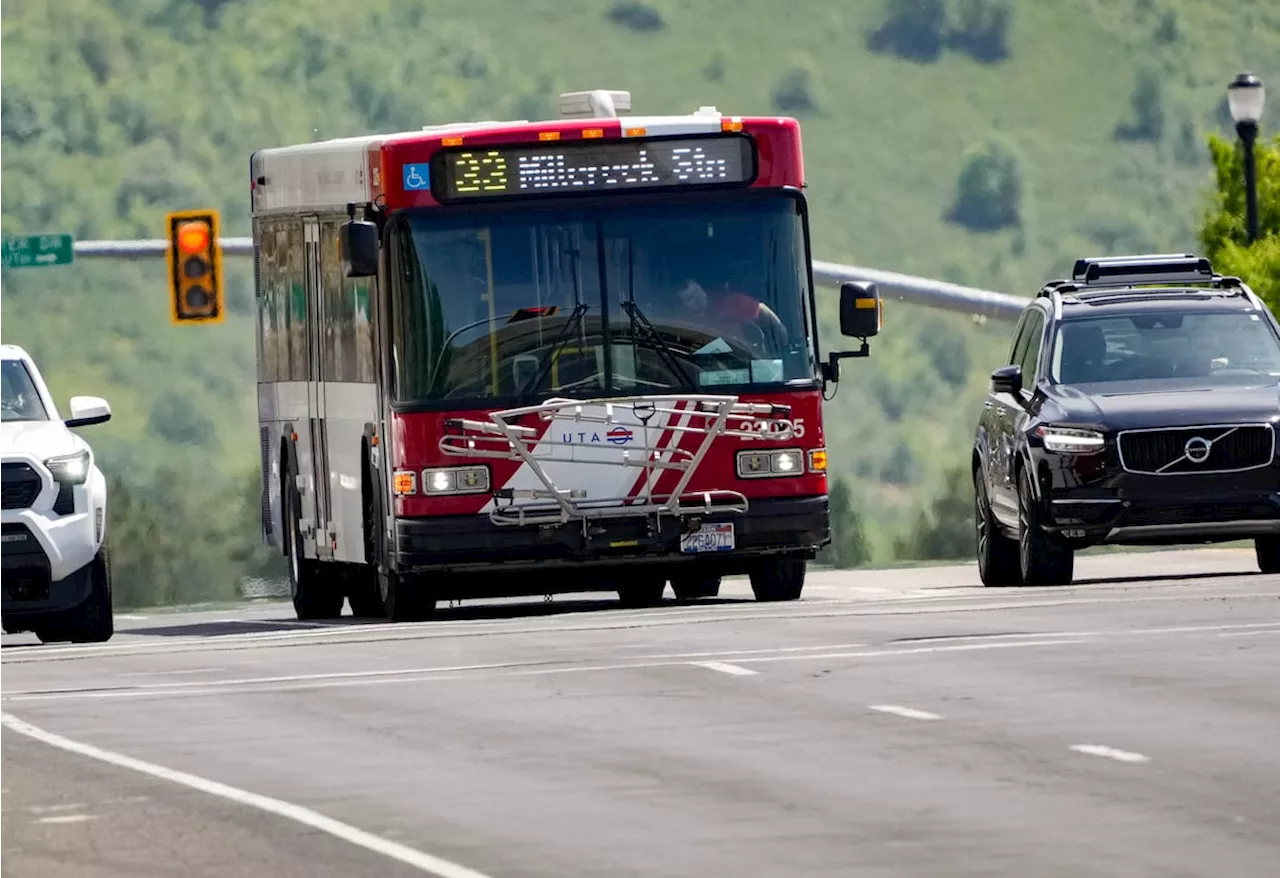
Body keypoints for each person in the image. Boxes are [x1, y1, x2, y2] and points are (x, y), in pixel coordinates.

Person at [674, 278, 789, 354]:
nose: (698, 298)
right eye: (691, 298)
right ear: (682, 307)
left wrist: (781, 332)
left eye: (697, 290)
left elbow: (762, 310)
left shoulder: (731, 301)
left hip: (749, 361)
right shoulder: (682, 326)